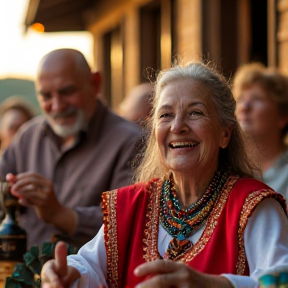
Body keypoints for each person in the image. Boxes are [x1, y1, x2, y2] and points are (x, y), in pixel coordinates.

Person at [41, 61, 288, 288]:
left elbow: (281, 279)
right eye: (166, 115)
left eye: (195, 112)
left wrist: (214, 285)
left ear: (225, 133)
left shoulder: (253, 204)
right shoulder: (131, 204)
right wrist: (67, 273)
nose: (177, 126)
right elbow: (89, 267)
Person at [0, 49, 141, 248]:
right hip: (24, 276)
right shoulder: (27, 137)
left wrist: (60, 214)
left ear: (95, 84)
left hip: (93, 279)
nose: (57, 106)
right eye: (46, 96)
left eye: (67, 92)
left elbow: (130, 224)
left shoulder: (131, 142)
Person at [233, 62, 288, 200]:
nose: (244, 107)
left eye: (256, 99)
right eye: (240, 99)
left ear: (282, 116)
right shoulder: (227, 168)